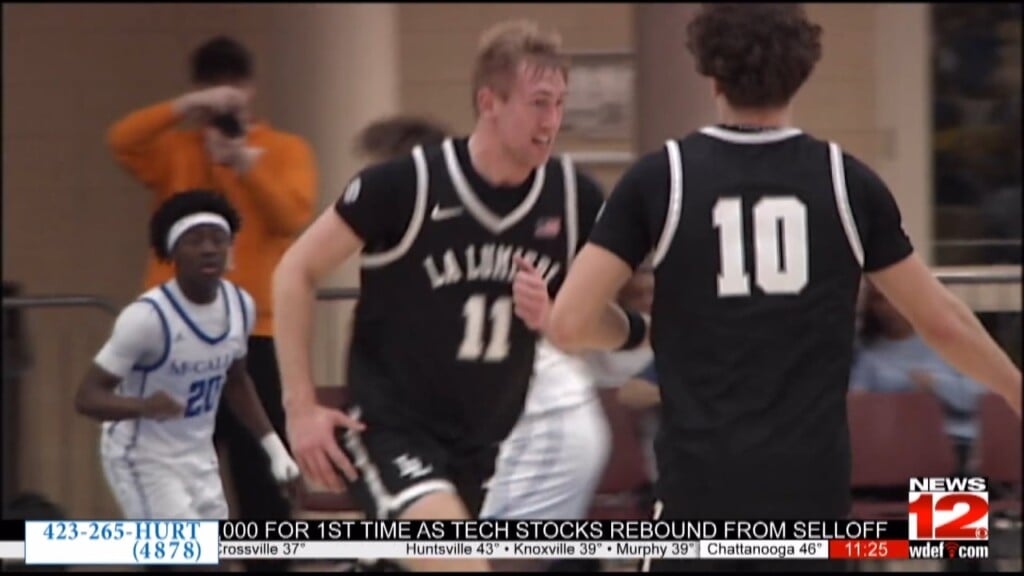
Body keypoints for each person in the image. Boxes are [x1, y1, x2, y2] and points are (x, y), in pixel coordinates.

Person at [512, 4, 1022, 572]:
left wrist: (640, 332)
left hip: (697, 500)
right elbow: (943, 322)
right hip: (812, 502)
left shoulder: (662, 177)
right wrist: (1016, 387)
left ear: (711, 75)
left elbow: (570, 323)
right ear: (803, 71)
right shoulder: (847, 182)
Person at [273, 20, 602, 572]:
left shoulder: (574, 198)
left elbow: (605, 323)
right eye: (538, 103)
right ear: (489, 102)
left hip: (487, 442)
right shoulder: (405, 186)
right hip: (391, 428)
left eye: (560, 104)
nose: (551, 122)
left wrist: (559, 319)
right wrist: (300, 408)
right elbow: (295, 271)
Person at [107, 35, 316, 571]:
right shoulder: (176, 149)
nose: (226, 102)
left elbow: (292, 217)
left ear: (250, 90)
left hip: (255, 337)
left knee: (261, 482)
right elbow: (121, 142)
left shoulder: (286, 151)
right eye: (213, 93)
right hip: (173, 340)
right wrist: (184, 111)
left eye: (233, 92)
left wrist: (245, 161)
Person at [74, 190, 300, 526]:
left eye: (217, 239)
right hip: (144, 457)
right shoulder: (147, 318)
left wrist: (276, 450)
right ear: (174, 252)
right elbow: (87, 397)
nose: (208, 248)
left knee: (214, 557)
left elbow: (237, 381)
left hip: (197, 455)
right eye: (195, 240)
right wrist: (144, 406)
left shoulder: (240, 305)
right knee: (186, 557)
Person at [850, 282, 987, 473]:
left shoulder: (950, 344)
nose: (890, 306)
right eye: (880, 300)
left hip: (957, 446)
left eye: (896, 296)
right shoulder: (868, 356)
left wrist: (935, 384)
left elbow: (979, 398)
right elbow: (857, 407)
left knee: (964, 498)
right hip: (893, 453)